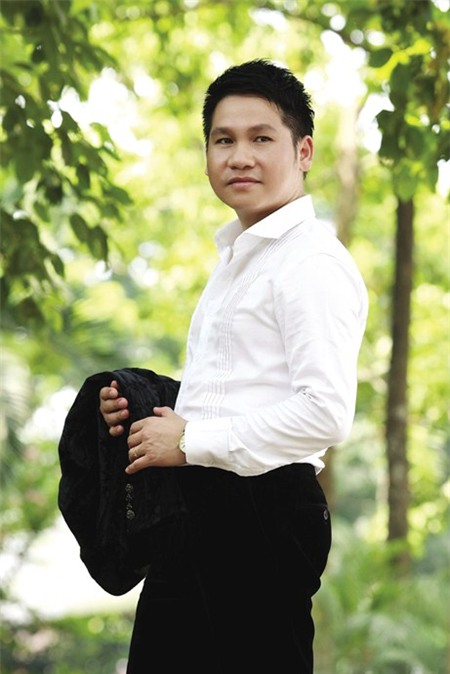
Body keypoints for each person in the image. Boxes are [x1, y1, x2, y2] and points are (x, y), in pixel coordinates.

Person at [99, 59, 368, 673]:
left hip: (262, 514)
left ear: (303, 151)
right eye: (224, 141)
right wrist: (146, 411)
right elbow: (236, 392)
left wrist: (188, 440)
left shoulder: (310, 263)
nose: (240, 157)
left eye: (261, 138)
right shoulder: (240, 257)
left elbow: (325, 412)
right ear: (206, 158)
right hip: (198, 509)